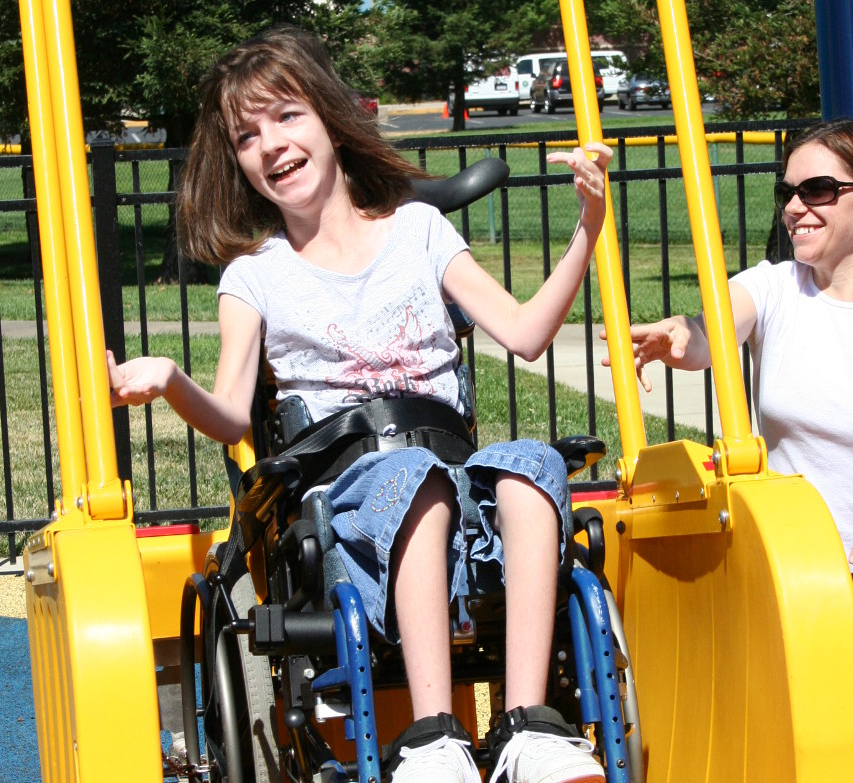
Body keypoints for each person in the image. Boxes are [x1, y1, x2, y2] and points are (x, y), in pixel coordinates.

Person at [107, 26, 612, 783]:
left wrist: (589, 229)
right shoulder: (256, 276)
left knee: (533, 464)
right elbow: (232, 416)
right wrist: (174, 379)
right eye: (247, 135)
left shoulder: (418, 230)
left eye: (286, 116)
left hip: (447, 471)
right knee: (410, 475)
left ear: (330, 120)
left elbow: (527, 333)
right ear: (239, 162)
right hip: (346, 501)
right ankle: (435, 737)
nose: (271, 145)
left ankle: (527, 728)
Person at [626, 115, 853, 783]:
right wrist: (682, 336)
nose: (794, 206)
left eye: (816, 189)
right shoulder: (775, 288)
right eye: (788, 190)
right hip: (787, 586)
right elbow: (709, 334)